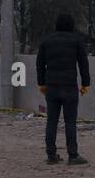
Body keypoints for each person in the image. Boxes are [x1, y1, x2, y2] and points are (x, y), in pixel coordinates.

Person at [36, 13, 90, 165]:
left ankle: (51, 155)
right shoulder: (76, 41)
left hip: (51, 87)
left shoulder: (47, 41)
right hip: (69, 87)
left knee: (51, 121)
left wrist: (42, 83)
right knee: (70, 122)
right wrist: (86, 84)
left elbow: (39, 64)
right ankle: (73, 155)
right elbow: (83, 64)